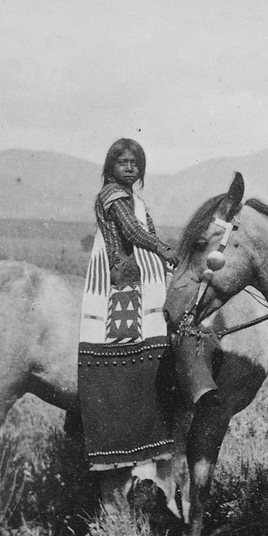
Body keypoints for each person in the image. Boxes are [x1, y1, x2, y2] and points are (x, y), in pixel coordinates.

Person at [78, 138, 188, 516]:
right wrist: (166, 250)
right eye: (122, 162)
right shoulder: (113, 196)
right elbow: (134, 234)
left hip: (140, 273)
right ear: (110, 166)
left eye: (135, 163)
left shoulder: (133, 198)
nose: (130, 168)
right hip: (122, 275)